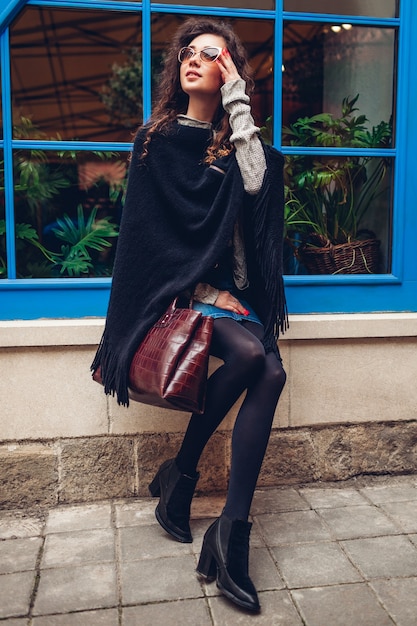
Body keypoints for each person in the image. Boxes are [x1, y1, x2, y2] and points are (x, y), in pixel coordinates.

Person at [92, 17, 287, 613]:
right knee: (255, 356)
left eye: (212, 55)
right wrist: (203, 290)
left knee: (272, 372)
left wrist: (238, 103)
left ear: (229, 70)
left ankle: (218, 522)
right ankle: (188, 489)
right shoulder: (153, 139)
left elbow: (256, 187)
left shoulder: (233, 146)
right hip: (177, 296)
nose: (195, 60)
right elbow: (153, 242)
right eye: (188, 53)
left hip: (233, 293)